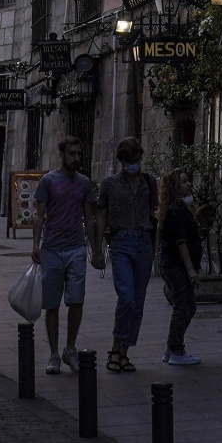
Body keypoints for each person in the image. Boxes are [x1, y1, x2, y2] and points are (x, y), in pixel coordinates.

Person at [29, 136, 98, 376]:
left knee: (76, 300)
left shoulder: (84, 183)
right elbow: (39, 214)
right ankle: (54, 353)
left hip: (76, 248)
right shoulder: (49, 181)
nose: (76, 158)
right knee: (52, 304)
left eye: (79, 154)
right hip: (52, 249)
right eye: (72, 154)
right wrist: (35, 244)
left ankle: (70, 348)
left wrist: (95, 248)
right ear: (62, 155)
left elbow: (89, 216)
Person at [91, 136, 159, 374]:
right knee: (127, 297)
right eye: (130, 161)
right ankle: (114, 348)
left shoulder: (149, 182)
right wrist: (97, 249)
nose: (134, 164)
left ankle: (124, 352)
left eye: (137, 160)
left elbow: (155, 213)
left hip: (144, 242)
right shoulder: (110, 184)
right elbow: (101, 216)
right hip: (120, 241)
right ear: (121, 161)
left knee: (138, 302)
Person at [156, 168, 203, 366]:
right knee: (183, 307)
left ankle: (172, 347)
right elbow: (181, 242)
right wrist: (190, 269)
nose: (189, 184)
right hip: (176, 266)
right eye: (184, 182)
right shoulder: (175, 212)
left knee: (188, 307)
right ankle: (176, 349)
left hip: (176, 266)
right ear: (174, 188)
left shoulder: (179, 208)